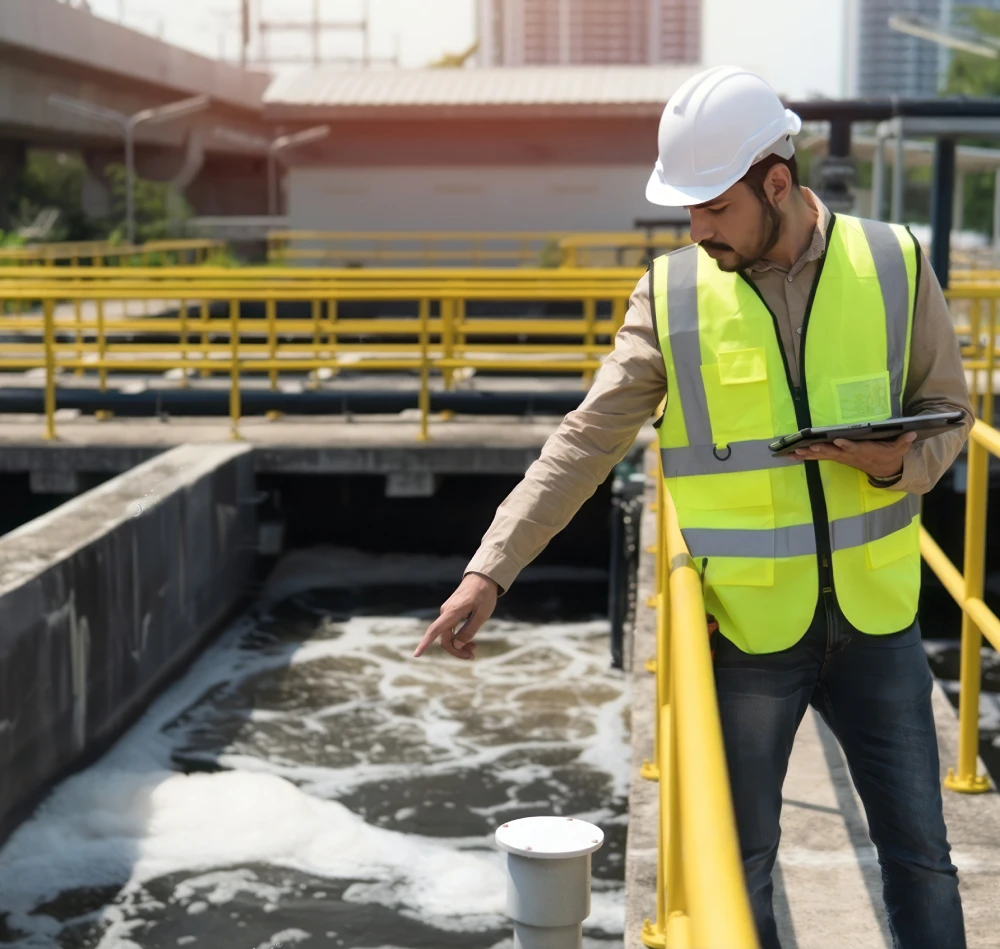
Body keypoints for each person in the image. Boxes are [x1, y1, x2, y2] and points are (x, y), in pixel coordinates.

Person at [412, 65, 973, 949]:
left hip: (879, 622)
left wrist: (896, 466)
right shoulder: (670, 297)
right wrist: (492, 567)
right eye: (687, 210)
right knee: (735, 868)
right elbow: (584, 442)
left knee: (923, 860)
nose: (695, 228)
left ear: (775, 183)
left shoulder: (895, 261)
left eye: (712, 208)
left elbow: (952, 412)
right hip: (748, 636)